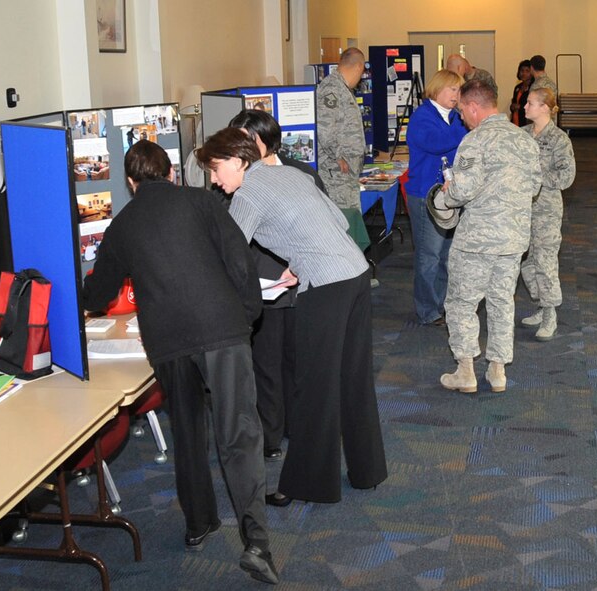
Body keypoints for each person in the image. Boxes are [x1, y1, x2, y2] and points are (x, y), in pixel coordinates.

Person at [81, 140, 279, 585]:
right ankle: (257, 543)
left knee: (187, 431)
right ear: (171, 173)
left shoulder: (123, 224)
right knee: (238, 434)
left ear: (131, 183)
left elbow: (98, 293)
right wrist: (245, 318)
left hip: (168, 340)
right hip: (221, 329)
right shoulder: (203, 202)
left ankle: (198, 524)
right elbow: (240, 264)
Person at [196, 128, 387, 505]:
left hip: (327, 288)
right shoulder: (289, 173)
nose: (215, 181)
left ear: (238, 161)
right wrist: (301, 261)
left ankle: (308, 485)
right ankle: (368, 472)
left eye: (216, 170)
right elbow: (337, 220)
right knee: (354, 379)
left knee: (314, 386)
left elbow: (231, 257)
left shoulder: (249, 192)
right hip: (356, 274)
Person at [227, 109, 327, 462]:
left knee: (298, 362)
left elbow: (321, 223)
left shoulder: (301, 173)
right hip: (261, 288)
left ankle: (299, 429)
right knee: (265, 366)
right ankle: (270, 437)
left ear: (264, 141)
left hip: (301, 283)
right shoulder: (234, 180)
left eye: (244, 139)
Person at [439, 79, 542, 394]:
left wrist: (449, 190)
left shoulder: (475, 140)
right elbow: (536, 186)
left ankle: (466, 370)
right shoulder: (525, 139)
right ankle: (497, 372)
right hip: (513, 238)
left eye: (462, 111)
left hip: (478, 240)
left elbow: (462, 191)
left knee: (462, 302)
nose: (461, 117)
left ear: (472, 106)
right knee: (501, 302)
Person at [404, 69, 467, 326]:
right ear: (438, 88)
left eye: (459, 90)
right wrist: (465, 126)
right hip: (425, 195)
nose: (457, 95)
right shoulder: (422, 117)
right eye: (453, 89)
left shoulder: (453, 116)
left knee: (446, 255)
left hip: (449, 196)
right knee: (429, 255)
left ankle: (441, 303)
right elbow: (436, 142)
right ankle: (428, 310)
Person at [520, 87, 576, 340]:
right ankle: (542, 304)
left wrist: (536, 177)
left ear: (544, 108)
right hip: (521, 209)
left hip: (546, 210)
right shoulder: (521, 135)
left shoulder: (559, 139)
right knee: (525, 264)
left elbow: (566, 176)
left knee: (545, 262)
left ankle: (550, 313)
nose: (524, 107)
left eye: (530, 103)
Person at [316, 48, 371, 251]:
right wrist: (338, 156)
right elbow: (324, 128)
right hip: (336, 175)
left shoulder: (342, 88)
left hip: (346, 175)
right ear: (358, 66)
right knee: (343, 225)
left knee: (350, 224)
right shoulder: (332, 89)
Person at [510, 60, 532, 127]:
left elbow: (532, 107)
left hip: (527, 123)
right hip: (516, 122)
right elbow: (513, 102)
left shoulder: (532, 88)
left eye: (527, 71)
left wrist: (520, 107)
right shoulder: (517, 87)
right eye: (522, 70)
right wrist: (512, 107)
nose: (524, 73)